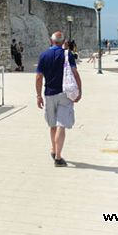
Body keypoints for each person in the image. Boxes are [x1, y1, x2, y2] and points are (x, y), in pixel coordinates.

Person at [35, 31, 82, 167]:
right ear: (63, 42)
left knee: (52, 125)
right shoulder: (68, 55)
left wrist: (38, 95)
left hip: (49, 94)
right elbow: (75, 73)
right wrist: (79, 91)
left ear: (51, 41)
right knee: (61, 124)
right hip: (65, 94)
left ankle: (53, 149)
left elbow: (38, 77)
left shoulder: (43, 55)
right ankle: (58, 157)